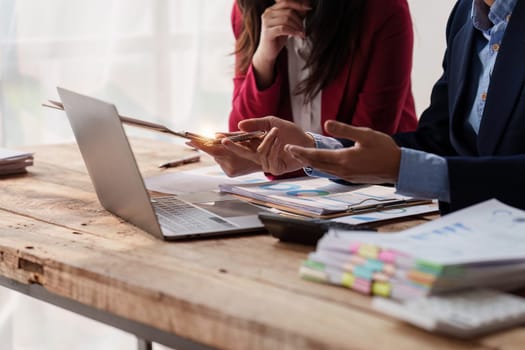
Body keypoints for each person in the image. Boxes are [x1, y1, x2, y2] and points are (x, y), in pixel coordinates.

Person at [195, 0, 525, 214]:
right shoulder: (466, 16)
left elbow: (393, 145)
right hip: (468, 234)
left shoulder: (382, 11)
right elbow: (437, 141)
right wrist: (310, 147)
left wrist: (401, 168)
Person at [228, 0, 418, 135]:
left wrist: (290, 160)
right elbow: (240, 139)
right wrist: (263, 60)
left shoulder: (383, 9)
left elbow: (366, 148)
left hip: (374, 186)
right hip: (286, 186)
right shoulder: (249, 9)